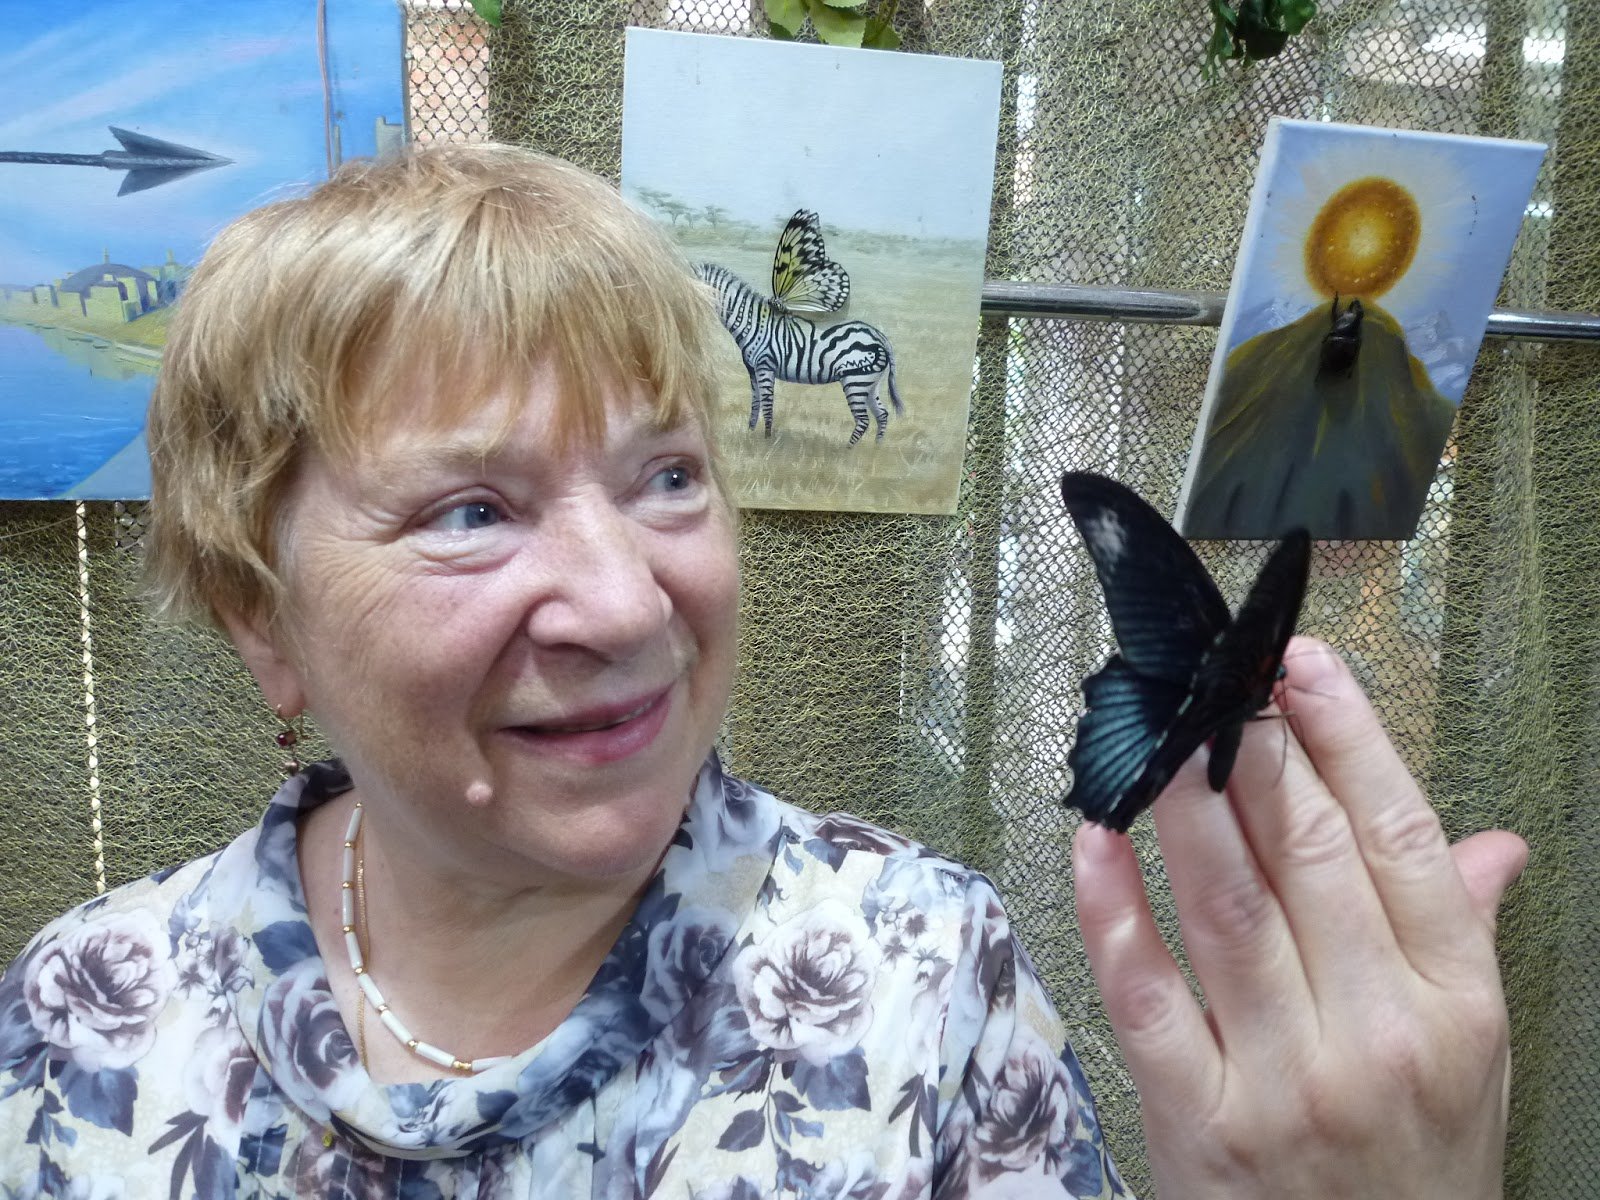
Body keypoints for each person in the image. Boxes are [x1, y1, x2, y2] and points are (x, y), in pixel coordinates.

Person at [0, 143, 1526, 1199]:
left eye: (668, 476)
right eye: (472, 511)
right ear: (258, 615)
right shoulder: (87, 1021)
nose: (626, 600)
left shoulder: (920, 976)